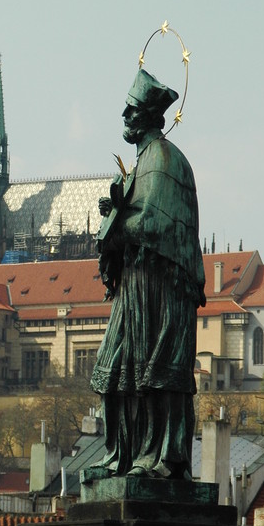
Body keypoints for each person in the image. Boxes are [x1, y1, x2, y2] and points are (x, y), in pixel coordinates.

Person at [90, 68, 205, 479]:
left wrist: (117, 224)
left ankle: (160, 459)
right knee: (114, 367)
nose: (124, 114)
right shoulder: (142, 162)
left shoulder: (164, 160)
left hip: (161, 289)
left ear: (150, 116)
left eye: (132, 108)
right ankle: (121, 454)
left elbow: (157, 226)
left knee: (157, 373)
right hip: (136, 287)